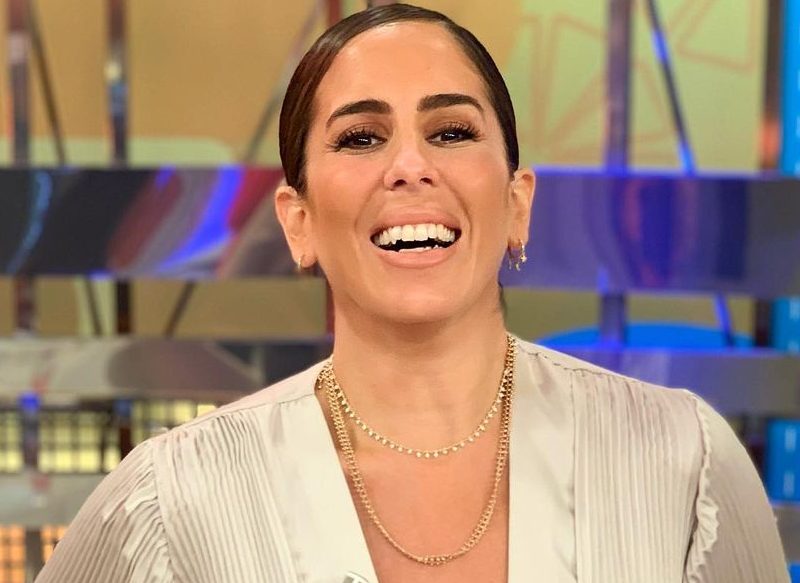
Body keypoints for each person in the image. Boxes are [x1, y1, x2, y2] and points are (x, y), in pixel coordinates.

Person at [36, 4, 788, 582]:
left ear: (517, 204)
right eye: (360, 138)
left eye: (452, 132)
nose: (409, 167)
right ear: (298, 223)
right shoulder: (173, 498)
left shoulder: (684, 463)